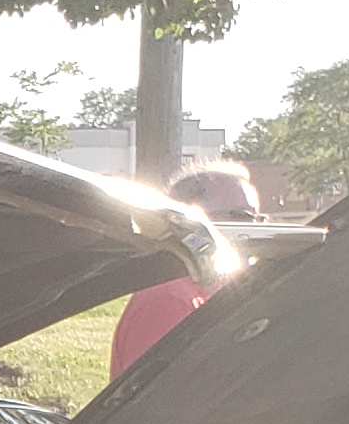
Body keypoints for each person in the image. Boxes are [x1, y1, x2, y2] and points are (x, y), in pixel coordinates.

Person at [105, 161, 256, 377]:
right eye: (242, 216)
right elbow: (157, 393)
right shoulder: (169, 298)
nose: (255, 228)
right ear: (194, 218)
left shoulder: (210, 291)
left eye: (259, 218)